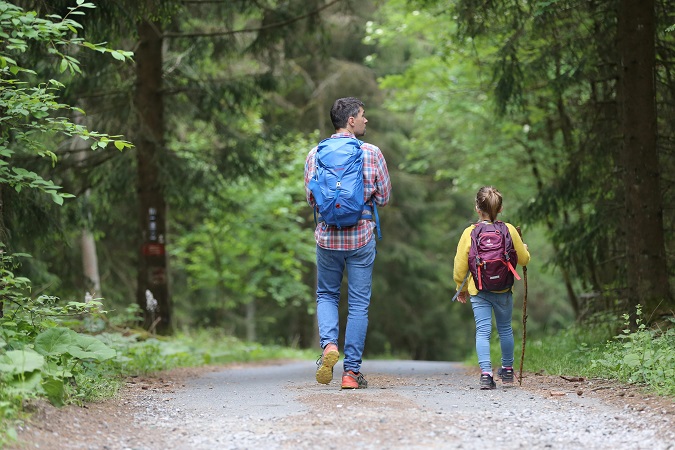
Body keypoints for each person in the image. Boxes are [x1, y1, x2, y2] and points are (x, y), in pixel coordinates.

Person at [304, 97, 391, 389]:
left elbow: (311, 198)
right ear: (350, 120)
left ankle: (329, 345)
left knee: (327, 295)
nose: (366, 120)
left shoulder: (315, 154)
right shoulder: (371, 152)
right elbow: (385, 197)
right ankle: (351, 373)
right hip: (361, 237)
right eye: (363, 116)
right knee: (358, 304)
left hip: (327, 237)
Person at [453, 186, 530, 389]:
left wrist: (460, 288)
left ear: (478, 208)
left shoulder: (470, 232)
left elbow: (460, 265)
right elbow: (523, 259)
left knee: (483, 331)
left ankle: (486, 374)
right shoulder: (509, 230)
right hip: (503, 290)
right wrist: (525, 250)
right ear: (501, 208)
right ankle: (507, 371)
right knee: (505, 329)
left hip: (479, 290)